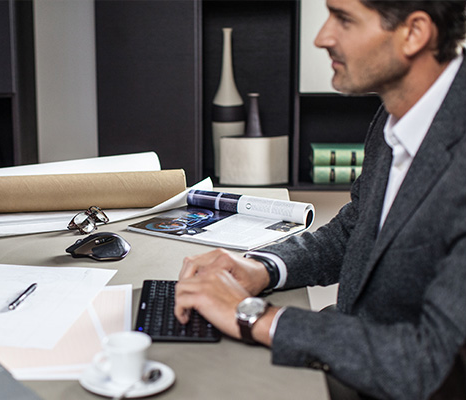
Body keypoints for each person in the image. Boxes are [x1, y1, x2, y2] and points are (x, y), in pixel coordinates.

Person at [174, 1, 465, 399]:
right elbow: (354, 230)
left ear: (414, 33)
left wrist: (251, 314)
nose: (321, 37)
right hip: (353, 346)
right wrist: (262, 268)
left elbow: (429, 363)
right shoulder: (395, 114)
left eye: (344, 18)